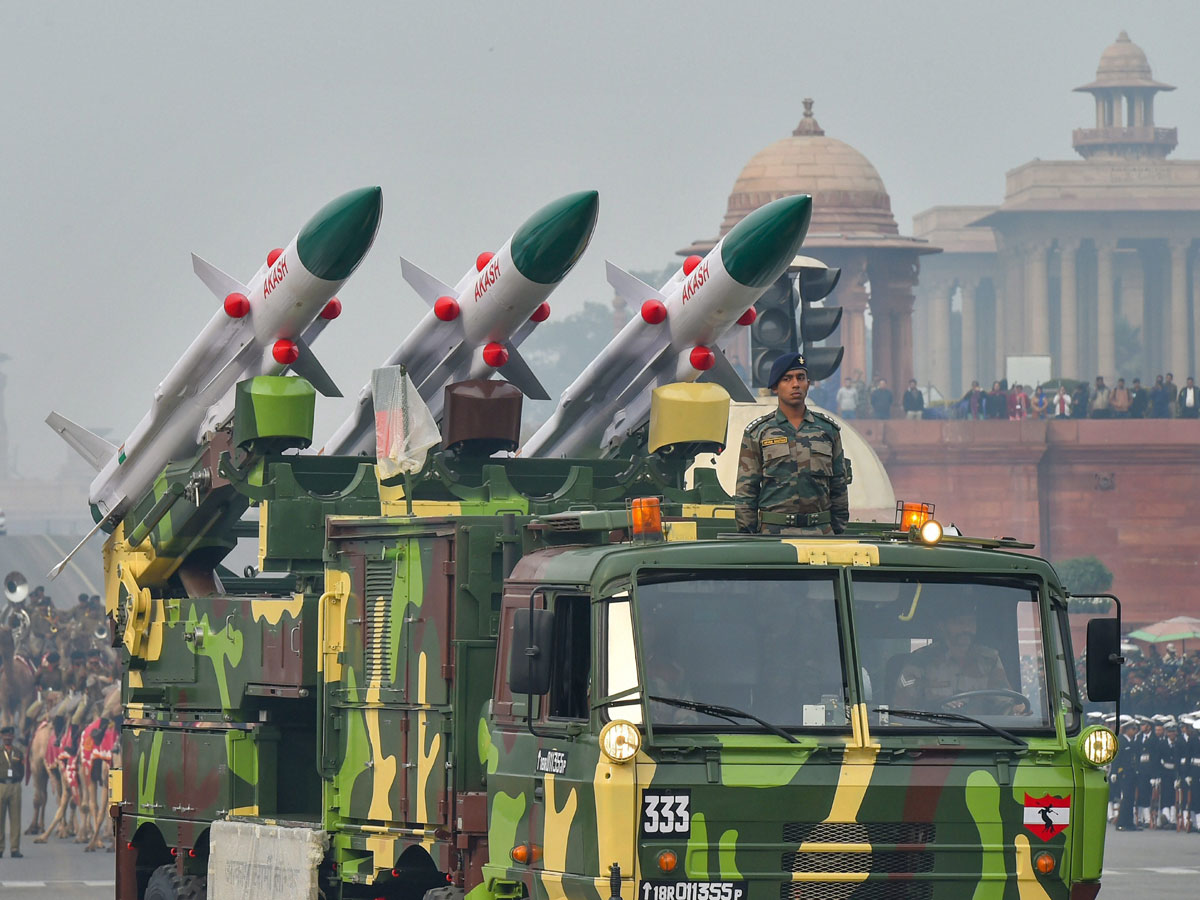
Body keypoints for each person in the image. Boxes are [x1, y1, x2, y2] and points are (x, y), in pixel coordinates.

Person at [735, 352, 849, 536]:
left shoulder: (828, 430)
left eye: (800, 378)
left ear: (808, 384)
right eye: (787, 379)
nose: (795, 384)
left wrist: (836, 531)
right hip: (773, 534)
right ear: (775, 387)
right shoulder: (758, 432)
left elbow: (839, 487)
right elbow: (746, 490)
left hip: (820, 532)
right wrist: (749, 536)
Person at [891, 605, 1015, 713]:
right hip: (929, 734)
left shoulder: (989, 660)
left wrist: (1015, 711)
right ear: (941, 626)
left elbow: (1003, 705)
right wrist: (933, 709)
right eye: (959, 623)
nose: (966, 629)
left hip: (982, 733)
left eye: (971, 623)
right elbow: (902, 711)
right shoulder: (920, 660)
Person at [1113, 718, 1142, 830]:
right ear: (1127, 730)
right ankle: (1120, 823)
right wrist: (1114, 772)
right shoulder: (1121, 740)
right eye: (1133, 729)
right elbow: (1116, 757)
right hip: (1123, 773)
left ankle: (1129, 823)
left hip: (1132, 773)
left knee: (1130, 798)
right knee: (1125, 798)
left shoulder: (1132, 741)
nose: (1135, 731)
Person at [0, 726, 22, 857]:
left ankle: (15, 848)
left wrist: (17, 781)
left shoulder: (18, 752)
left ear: (13, 737)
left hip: (15, 786)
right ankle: (0, 848)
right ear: (2, 737)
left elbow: (22, 770)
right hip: (1, 785)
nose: (8, 737)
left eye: (10, 736)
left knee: (15, 819)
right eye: (5, 736)